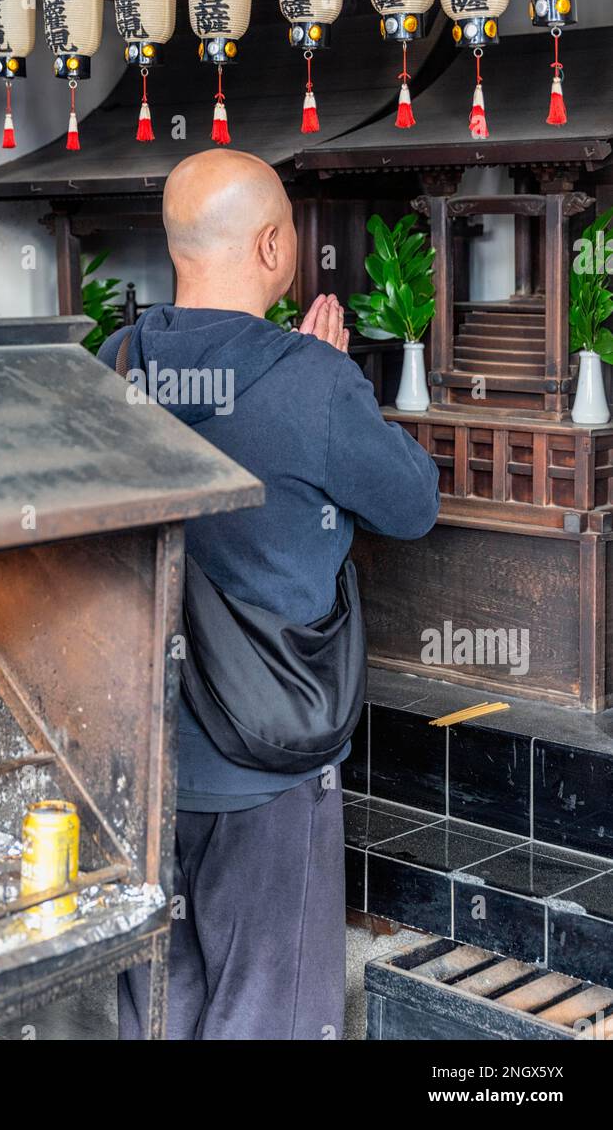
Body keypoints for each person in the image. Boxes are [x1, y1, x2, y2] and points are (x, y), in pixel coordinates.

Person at [98, 149, 439, 1040]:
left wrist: (304, 375)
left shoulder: (115, 359)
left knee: (157, 1005)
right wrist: (325, 383)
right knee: (270, 1012)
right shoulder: (310, 379)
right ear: (273, 244)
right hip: (268, 758)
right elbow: (411, 504)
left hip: (140, 759)